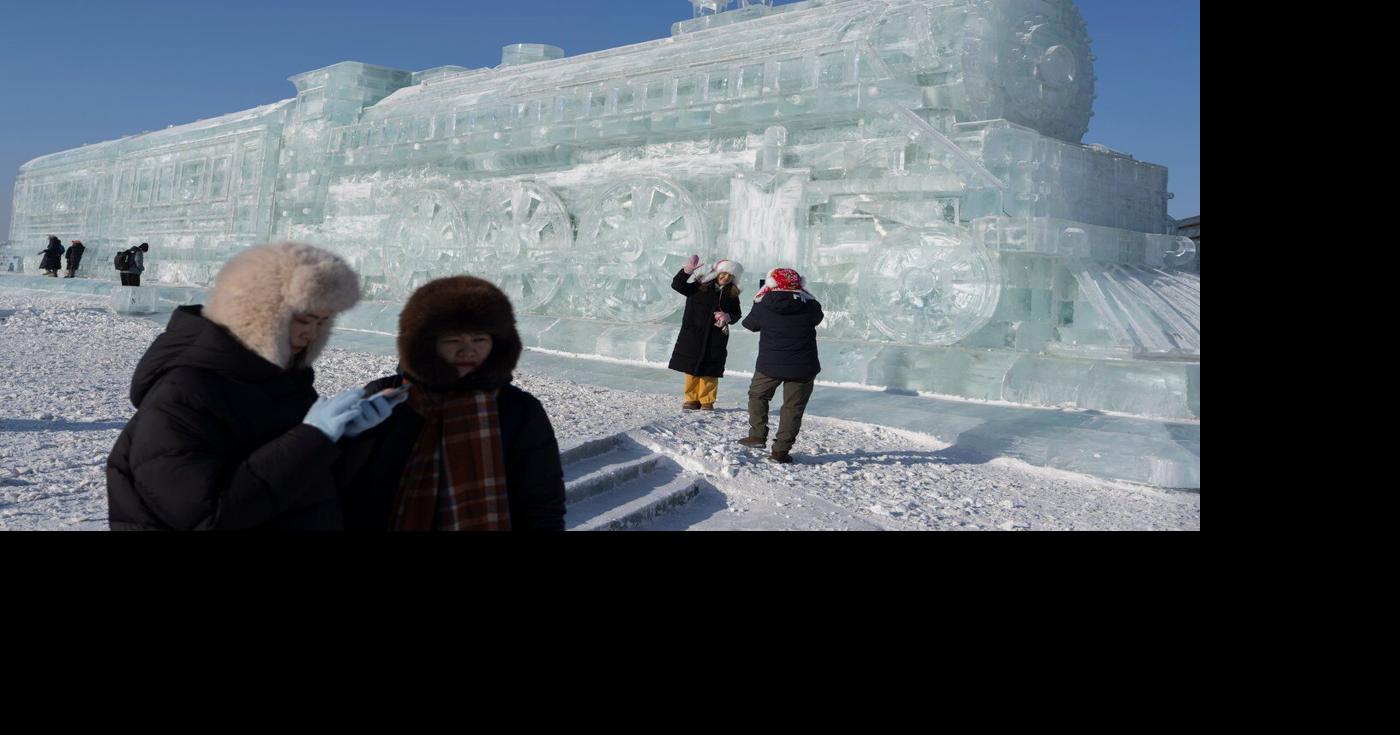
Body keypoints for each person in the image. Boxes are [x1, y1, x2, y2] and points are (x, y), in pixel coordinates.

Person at [105, 241, 396, 530]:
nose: (312, 334)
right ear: (259, 312)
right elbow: (208, 516)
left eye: (322, 323)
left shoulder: (286, 382)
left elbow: (305, 489)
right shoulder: (183, 395)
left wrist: (346, 437)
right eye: (305, 320)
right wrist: (312, 439)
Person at [341, 275, 566, 531]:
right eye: (453, 340)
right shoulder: (388, 397)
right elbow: (345, 482)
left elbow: (542, 500)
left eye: (480, 339)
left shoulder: (519, 409)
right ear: (425, 343)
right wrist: (350, 436)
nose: (468, 351)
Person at [738, 267, 823, 464]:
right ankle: (780, 452)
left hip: (770, 365)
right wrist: (806, 295)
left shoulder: (763, 304)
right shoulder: (811, 306)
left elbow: (749, 325)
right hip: (803, 366)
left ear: (771, 283)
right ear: (800, 285)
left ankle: (757, 435)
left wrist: (758, 298)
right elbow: (817, 318)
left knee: (758, 395)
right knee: (793, 408)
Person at [668, 255, 744, 411]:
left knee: (709, 371)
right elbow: (677, 285)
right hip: (694, 335)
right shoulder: (699, 285)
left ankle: (706, 400)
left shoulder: (732, 294)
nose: (726, 277)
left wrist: (728, 316)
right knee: (691, 369)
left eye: (730, 276)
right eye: (723, 273)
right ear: (717, 273)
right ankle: (691, 399)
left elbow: (737, 314)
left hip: (716, 337)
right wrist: (687, 271)